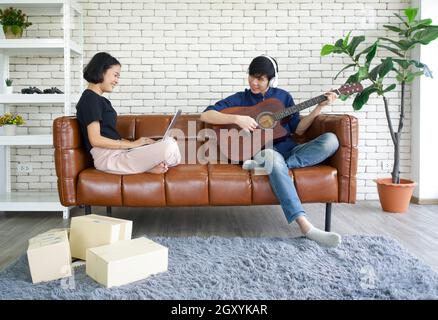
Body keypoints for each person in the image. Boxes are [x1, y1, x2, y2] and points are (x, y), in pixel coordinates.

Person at [200, 55, 341, 247]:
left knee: (331, 141)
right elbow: (206, 114)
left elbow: (298, 129)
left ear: (271, 80)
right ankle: (306, 227)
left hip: (289, 149)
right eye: (252, 76)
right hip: (264, 151)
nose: (254, 82)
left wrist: (319, 107)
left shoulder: (283, 97)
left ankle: (270, 167)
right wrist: (237, 119)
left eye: (261, 79)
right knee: (273, 158)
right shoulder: (240, 98)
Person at [76, 52, 181, 175]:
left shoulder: (101, 100)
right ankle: (145, 166)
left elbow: (111, 136)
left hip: (119, 153)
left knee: (169, 142)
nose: (116, 81)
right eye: (115, 75)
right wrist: (132, 144)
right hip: (108, 158)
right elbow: (95, 139)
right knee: (169, 147)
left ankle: (144, 166)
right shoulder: (90, 98)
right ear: (101, 71)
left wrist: (139, 145)